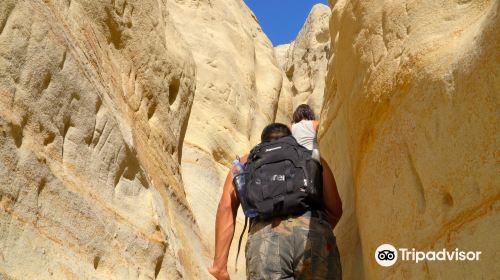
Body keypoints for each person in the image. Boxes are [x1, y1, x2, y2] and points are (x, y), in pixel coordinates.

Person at [208, 123, 343, 280]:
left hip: (265, 240)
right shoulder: (311, 156)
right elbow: (335, 209)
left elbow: (226, 207)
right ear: (291, 139)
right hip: (313, 233)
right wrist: (312, 231)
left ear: (263, 141)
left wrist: (220, 266)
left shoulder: (245, 162)